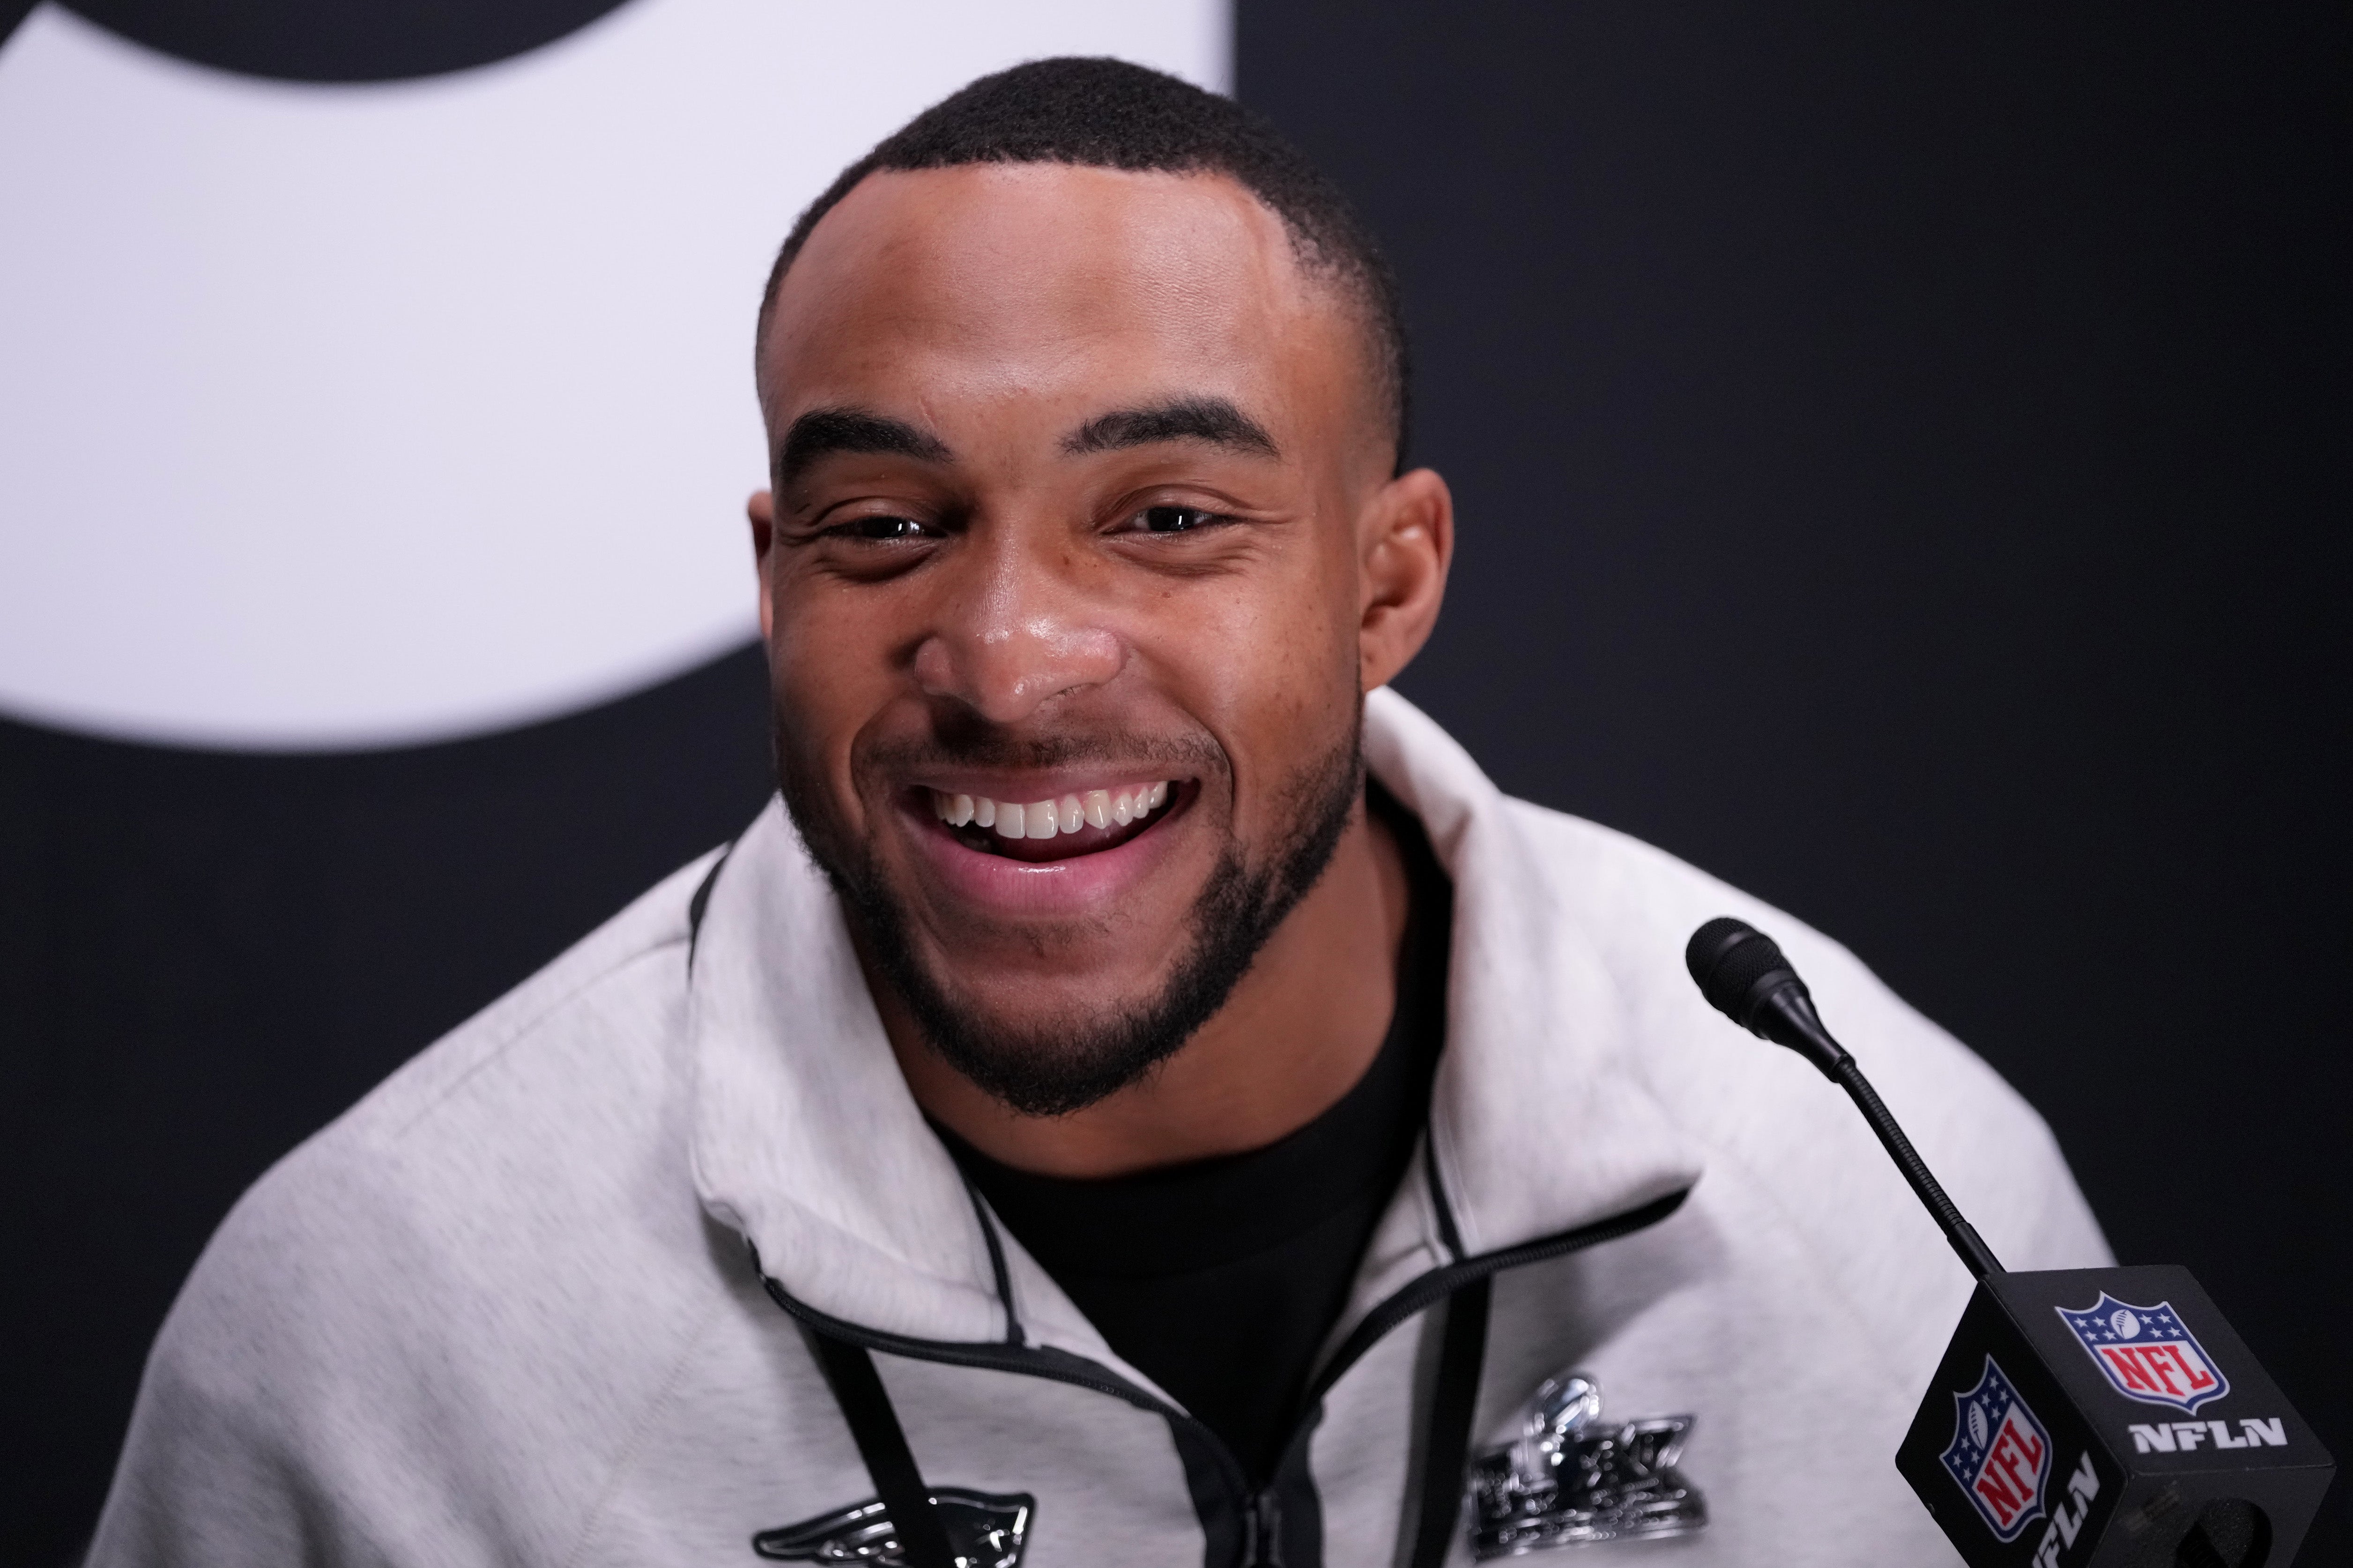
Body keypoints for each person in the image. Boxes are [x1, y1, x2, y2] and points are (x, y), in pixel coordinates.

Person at [87, 58, 2108, 1568]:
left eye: (1162, 520)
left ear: (1386, 582)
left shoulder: (1863, 1174)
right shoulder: (387, 1327)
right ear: (774, 573)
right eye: (884, 527)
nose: (1008, 660)